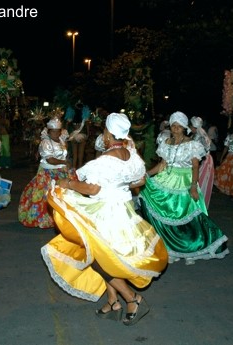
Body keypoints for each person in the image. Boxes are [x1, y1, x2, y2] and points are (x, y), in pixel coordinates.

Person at [41, 113, 167, 326]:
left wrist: (69, 185)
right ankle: (113, 301)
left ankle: (132, 298)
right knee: (105, 256)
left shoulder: (105, 161)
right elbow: (140, 180)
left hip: (106, 213)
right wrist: (120, 185)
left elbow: (92, 188)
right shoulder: (132, 155)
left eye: (105, 132)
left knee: (101, 261)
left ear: (109, 134)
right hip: (124, 210)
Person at [138, 111, 229, 265]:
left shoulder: (193, 145)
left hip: (185, 181)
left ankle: (192, 250)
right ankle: (171, 248)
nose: (175, 128)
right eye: (173, 125)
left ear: (185, 127)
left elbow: (195, 167)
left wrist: (193, 186)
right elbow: (162, 165)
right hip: (166, 179)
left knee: (189, 219)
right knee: (167, 216)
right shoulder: (166, 142)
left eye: (179, 126)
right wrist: (147, 174)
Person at [18, 117, 76, 229]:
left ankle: (62, 217)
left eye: (58, 131)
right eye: (53, 131)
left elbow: (65, 153)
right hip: (48, 172)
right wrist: (64, 162)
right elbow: (50, 160)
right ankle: (44, 218)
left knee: (63, 194)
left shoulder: (62, 140)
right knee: (45, 195)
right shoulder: (45, 143)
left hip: (61, 171)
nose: (56, 133)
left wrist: (66, 164)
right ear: (49, 132)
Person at [190, 116, 215, 208]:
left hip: (202, 161)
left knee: (199, 181)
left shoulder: (198, 136)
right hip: (206, 160)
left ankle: (198, 203)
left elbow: (196, 151)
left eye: (191, 126)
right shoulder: (201, 133)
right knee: (202, 181)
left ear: (194, 126)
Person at [65, 101, 90, 169]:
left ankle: (73, 169)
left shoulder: (71, 116)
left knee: (74, 154)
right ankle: (80, 169)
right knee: (80, 155)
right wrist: (88, 134)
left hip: (74, 136)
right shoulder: (85, 116)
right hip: (82, 136)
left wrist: (67, 134)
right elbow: (87, 126)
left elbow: (67, 125)